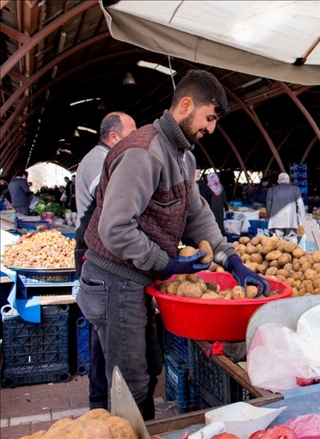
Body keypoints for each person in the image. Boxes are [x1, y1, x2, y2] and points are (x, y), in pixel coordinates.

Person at [77, 70, 269, 420]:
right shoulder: (145, 153)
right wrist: (165, 263)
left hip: (135, 280)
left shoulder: (183, 155)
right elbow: (115, 227)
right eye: (209, 117)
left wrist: (231, 260)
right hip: (113, 280)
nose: (212, 128)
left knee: (146, 368)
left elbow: (197, 215)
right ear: (185, 105)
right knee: (129, 380)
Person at [74, 111, 137, 410]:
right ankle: (102, 404)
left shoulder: (97, 158)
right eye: (132, 132)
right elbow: (115, 209)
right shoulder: (102, 163)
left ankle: (101, 401)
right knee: (104, 334)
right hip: (96, 251)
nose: (138, 139)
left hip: (92, 248)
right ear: (114, 137)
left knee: (103, 330)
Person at [266, 173, 306, 243]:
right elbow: (300, 205)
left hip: (276, 221)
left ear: (278, 181)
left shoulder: (271, 190)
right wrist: (302, 219)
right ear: (288, 180)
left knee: (277, 241)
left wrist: (270, 217)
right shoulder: (295, 189)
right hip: (290, 220)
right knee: (291, 239)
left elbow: (268, 205)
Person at [202, 172, 230, 236]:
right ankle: (221, 235)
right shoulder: (220, 187)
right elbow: (224, 198)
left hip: (211, 207)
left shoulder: (208, 187)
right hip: (220, 208)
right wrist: (226, 208)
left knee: (212, 221)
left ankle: (213, 235)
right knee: (220, 221)